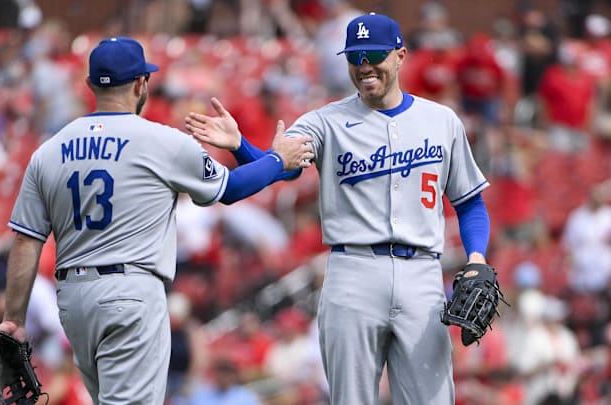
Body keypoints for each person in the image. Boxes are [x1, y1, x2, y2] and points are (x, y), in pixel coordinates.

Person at [185, 12, 492, 404]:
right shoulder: (324, 122)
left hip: (422, 274)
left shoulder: (442, 121)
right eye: (355, 57)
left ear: (400, 55)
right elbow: (283, 167)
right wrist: (241, 147)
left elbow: (470, 203)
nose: (364, 67)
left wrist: (477, 257)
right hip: (353, 272)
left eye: (374, 56)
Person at [0, 36, 314, 405]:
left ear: (91, 85)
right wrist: (277, 160)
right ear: (141, 83)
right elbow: (230, 188)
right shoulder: (161, 141)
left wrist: (14, 319)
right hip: (130, 293)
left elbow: (26, 240)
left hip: (74, 301)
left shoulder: (48, 151)